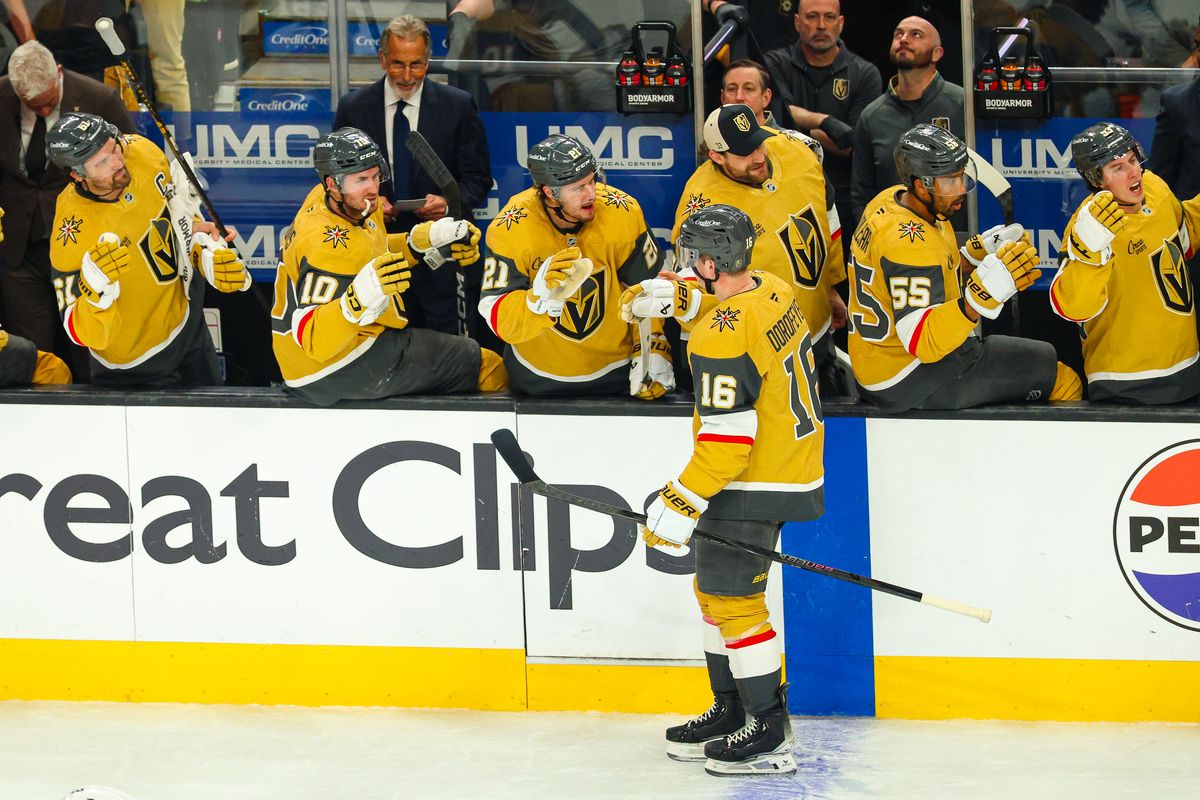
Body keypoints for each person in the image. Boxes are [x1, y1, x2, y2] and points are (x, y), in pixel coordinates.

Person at [622, 204, 823, 777]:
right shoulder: (773, 287)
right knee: (713, 592)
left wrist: (681, 500)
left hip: (750, 477)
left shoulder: (717, 337)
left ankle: (767, 730)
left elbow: (730, 439)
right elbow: (735, 311)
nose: (686, 266)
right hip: (788, 462)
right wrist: (677, 298)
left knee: (736, 602)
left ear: (709, 262)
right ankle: (730, 709)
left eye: (692, 260)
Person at [848, 124, 1082, 411]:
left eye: (961, 175)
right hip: (908, 376)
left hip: (880, 360)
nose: (961, 189)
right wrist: (977, 300)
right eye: (949, 180)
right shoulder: (906, 241)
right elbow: (921, 340)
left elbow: (929, 270)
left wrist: (975, 253)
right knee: (1062, 379)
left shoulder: (890, 200)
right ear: (921, 184)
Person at [270, 128, 506, 406]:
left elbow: (367, 248)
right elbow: (314, 339)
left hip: (334, 351)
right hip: (333, 365)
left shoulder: (337, 200)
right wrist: (354, 302)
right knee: (484, 365)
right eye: (360, 179)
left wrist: (425, 240)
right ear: (333, 184)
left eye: (374, 176)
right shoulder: (326, 244)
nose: (372, 188)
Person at [46, 112, 248, 386]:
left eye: (114, 147)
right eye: (102, 162)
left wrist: (201, 246)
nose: (118, 161)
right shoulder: (72, 233)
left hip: (187, 324)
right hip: (135, 361)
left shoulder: (142, 152)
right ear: (76, 174)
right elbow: (79, 331)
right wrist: (95, 296)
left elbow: (179, 215)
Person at [334, 14, 492, 338]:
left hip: (444, 264)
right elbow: (336, 181)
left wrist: (447, 204)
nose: (407, 76)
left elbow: (478, 179)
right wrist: (368, 202)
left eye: (416, 65)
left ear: (428, 60)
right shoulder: (354, 107)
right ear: (381, 59)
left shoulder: (458, 106)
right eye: (397, 64)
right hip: (378, 262)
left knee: (453, 362)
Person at [478, 133, 669, 398]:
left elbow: (648, 288)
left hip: (617, 373)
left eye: (592, 180)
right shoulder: (510, 228)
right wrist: (537, 301)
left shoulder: (623, 211)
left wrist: (653, 350)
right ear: (549, 192)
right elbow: (496, 316)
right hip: (537, 378)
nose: (591, 193)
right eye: (578, 187)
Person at [673, 104, 847, 392]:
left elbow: (826, 217)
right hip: (763, 350)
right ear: (716, 155)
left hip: (816, 330)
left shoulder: (797, 151)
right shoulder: (702, 209)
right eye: (744, 152)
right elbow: (700, 289)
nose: (758, 157)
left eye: (758, 143)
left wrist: (830, 284)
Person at [0, 40, 135, 381]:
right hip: (18, 246)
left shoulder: (99, 99)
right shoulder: (0, 97)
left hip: (83, 246)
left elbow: (129, 168)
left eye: (48, 103)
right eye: (32, 105)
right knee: (32, 354)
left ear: (58, 74)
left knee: (88, 344)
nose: (43, 111)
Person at [1049, 122, 1200, 404]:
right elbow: (1073, 307)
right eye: (1118, 168)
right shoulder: (1086, 229)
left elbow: (1185, 238)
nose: (1134, 173)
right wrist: (1088, 256)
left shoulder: (1155, 186)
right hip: (1125, 385)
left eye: (1133, 160)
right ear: (1096, 179)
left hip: (1188, 371)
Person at [763, 0, 882, 249]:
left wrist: (796, 126)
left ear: (840, 23)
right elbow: (775, 122)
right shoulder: (774, 63)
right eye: (812, 17)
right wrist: (825, 122)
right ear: (797, 22)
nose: (820, 25)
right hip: (786, 189)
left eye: (828, 17)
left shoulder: (865, 73)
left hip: (844, 195)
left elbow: (851, 144)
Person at [850, 16, 964, 225]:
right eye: (898, 34)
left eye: (916, 35)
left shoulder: (962, 105)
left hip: (954, 237)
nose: (904, 39)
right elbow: (861, 194)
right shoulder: (872, 116)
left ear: (937, 53)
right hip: (893, 240)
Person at [719, 59, 781, 129]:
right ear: (723, 97)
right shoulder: (709, 138)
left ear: (765, 97)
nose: (739, 97)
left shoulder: (788, 139)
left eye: (749, 89)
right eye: (731, 89)